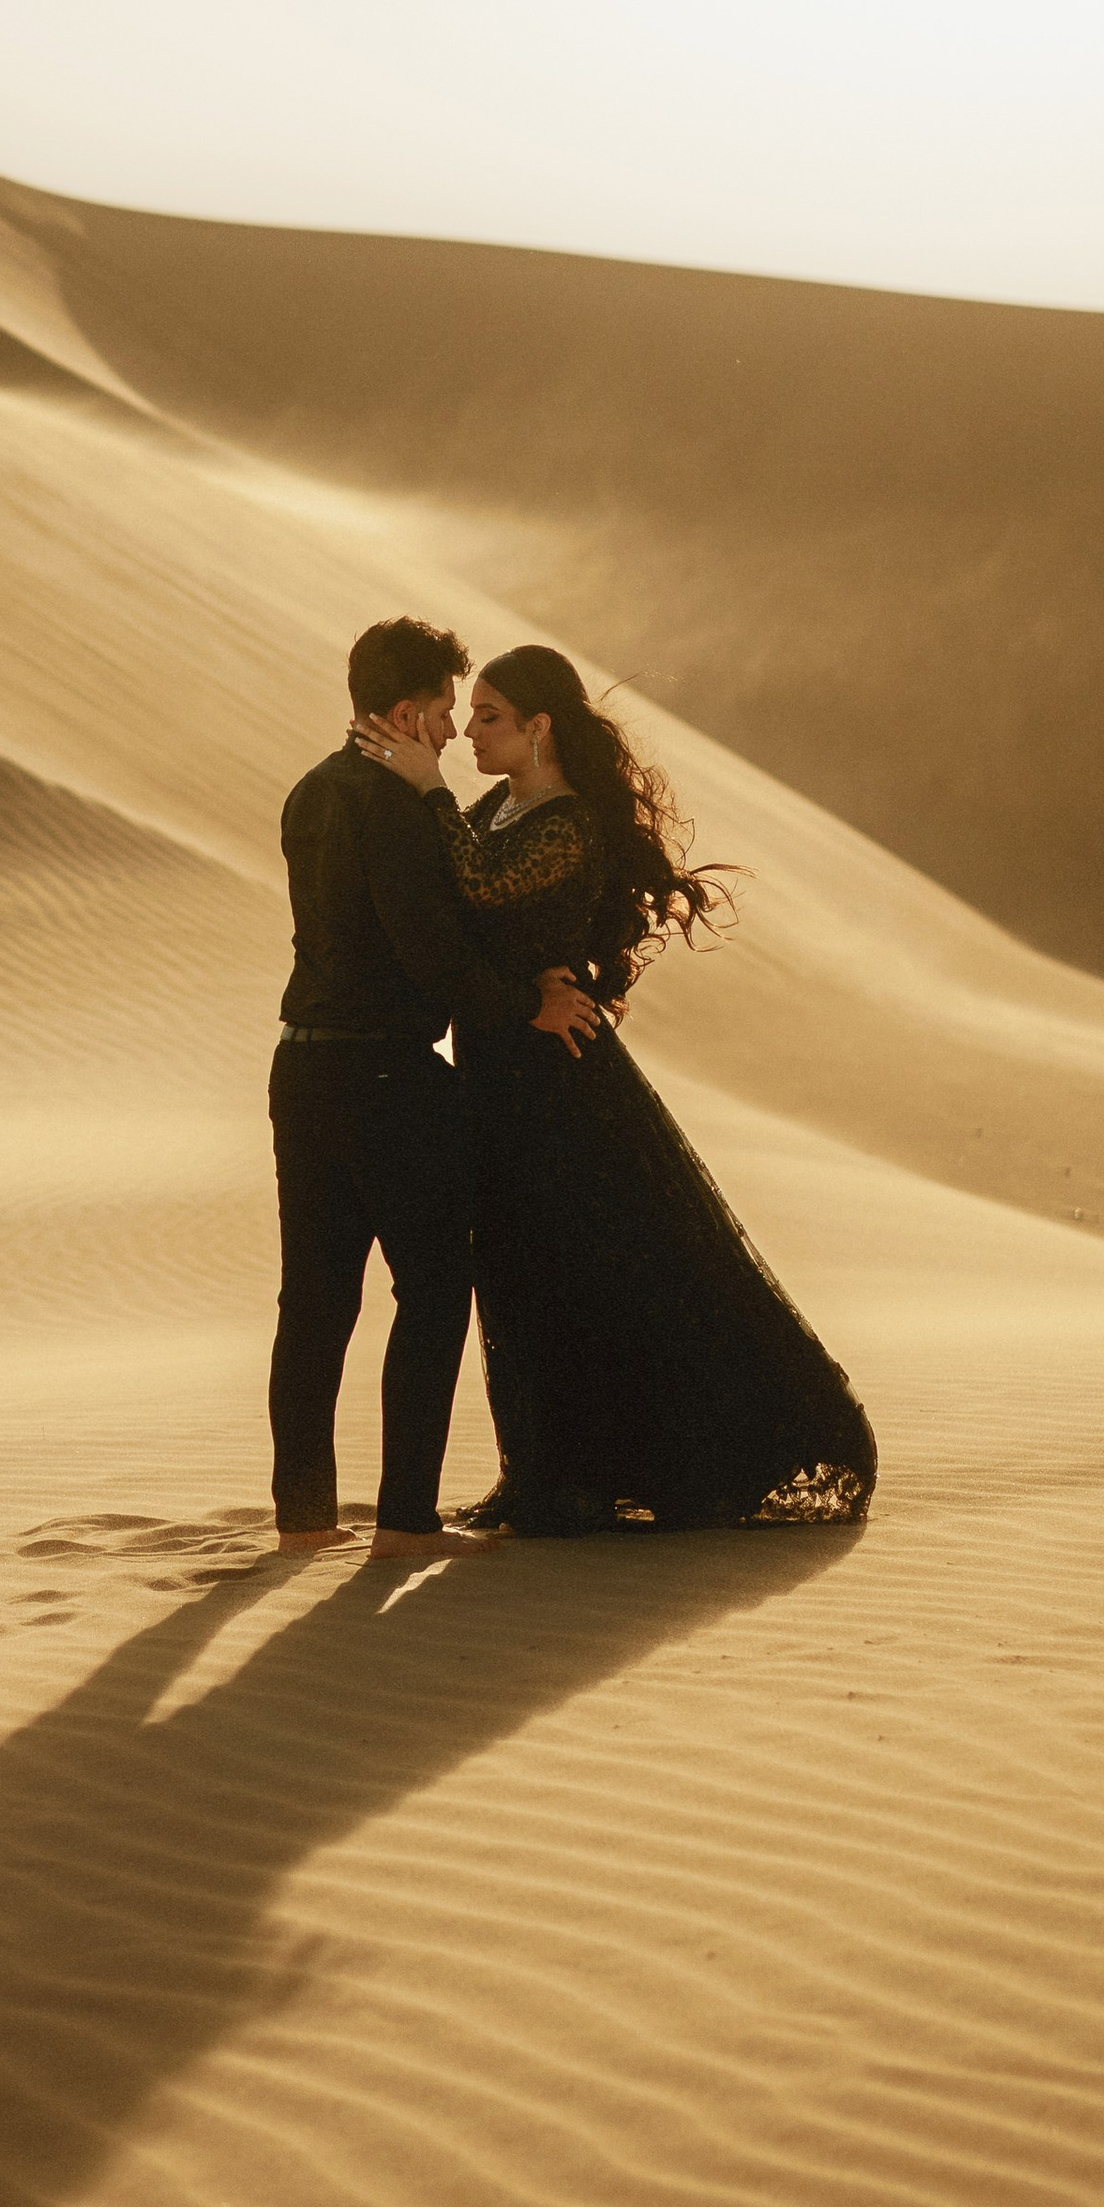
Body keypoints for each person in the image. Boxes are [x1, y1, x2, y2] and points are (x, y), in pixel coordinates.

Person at [356, 643, 875, 1535]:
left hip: (557, 1084)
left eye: (489, 718)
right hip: (503, 1068)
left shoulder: (566, 821)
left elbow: (477, 884)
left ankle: (662, 1461)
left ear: (540, 726)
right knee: (528, 1272)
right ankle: (567, 1469)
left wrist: (424, 787)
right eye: (468, 715)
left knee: (600, 1263)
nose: (470, 733)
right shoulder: (503, 801)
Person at [272, 618, 600, 1560]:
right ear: (410, 712)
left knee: (316, 1300)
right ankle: (406, 1523)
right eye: (451, 709)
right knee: (432, 1288)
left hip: (300, 1068)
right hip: (385, 1075)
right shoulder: (395, 805)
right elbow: (433, 954)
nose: (456, 730)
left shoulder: (310, 791)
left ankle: (303, 1519)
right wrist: (524, 1005)